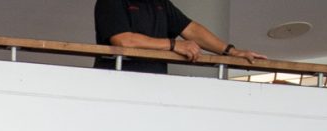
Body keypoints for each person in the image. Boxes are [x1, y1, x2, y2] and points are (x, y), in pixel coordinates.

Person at [94, 0, 264, 75]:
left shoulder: (160, 3)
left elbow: (191, 29)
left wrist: (231, 52)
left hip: (155, 85)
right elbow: (124, 40)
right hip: (116, 85)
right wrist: (173, 44)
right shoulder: (111, 1)